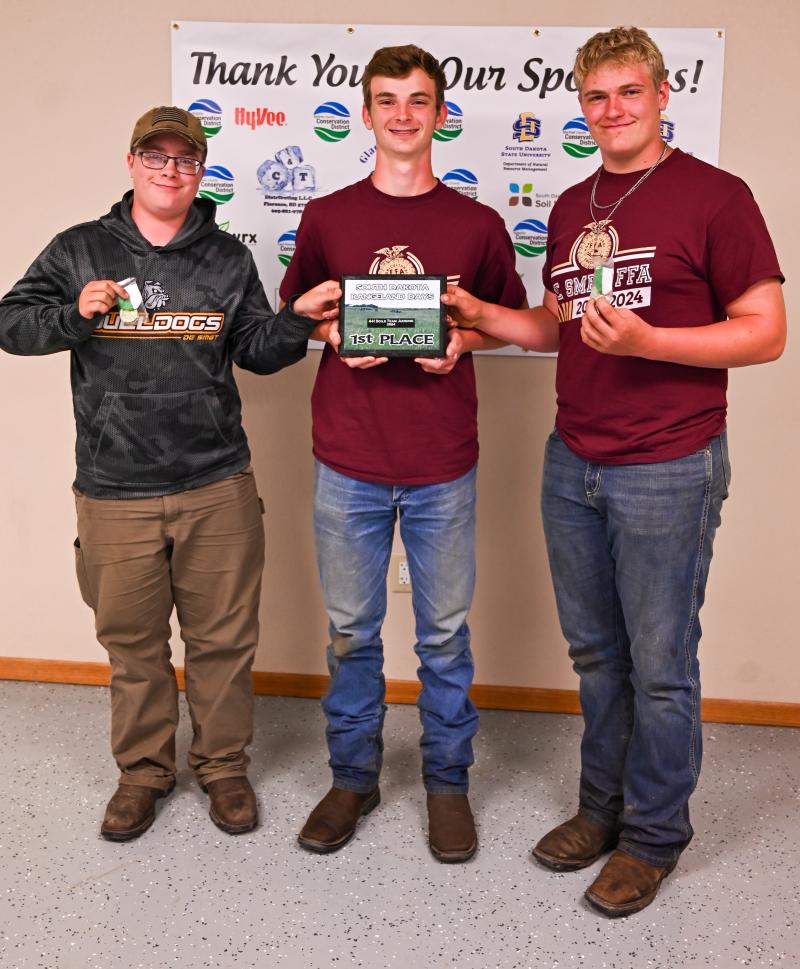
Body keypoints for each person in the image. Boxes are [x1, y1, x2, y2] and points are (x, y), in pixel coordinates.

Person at [443, 26, 785, 911]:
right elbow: (557, 326)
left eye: (629, 91)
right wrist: (484, 316)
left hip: (669, 463)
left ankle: (655, 836)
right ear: (582, 106)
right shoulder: (571, 204)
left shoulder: (716, 197)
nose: (612, 109)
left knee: (661, 661)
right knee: (597, 655)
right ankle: (602, 810)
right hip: (576, 461)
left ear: (663, 95)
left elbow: (766, 330)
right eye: (595, 96)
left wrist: (653, 340)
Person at [0, 106, 340, 842]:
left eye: (184, 160)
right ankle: (144, 772)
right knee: (134, 643)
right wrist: (72, 315)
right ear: (130, 165)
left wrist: (300, 320)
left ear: (198, 173)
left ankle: (222, 766)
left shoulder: (224, 258)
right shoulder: (80, 249)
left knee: (222, 639)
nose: (168, 170)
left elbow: (255, 347)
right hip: (114, 490)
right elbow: (10, 323)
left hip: (215, 483)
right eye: (155, 157)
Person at [279, 45, 526, 862]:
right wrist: (330, 335)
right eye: (387, 99)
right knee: (352, 630)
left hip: (441, 461)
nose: (403, 115)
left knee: (445, 633)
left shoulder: (479, 224)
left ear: (439, 113)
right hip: (346, 456)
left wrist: (461, 342)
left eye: (418, 100)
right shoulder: (327, 216)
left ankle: (447, 783)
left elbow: (502, 322)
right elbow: (299, 315)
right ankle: (353, 776)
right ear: (366, 111)